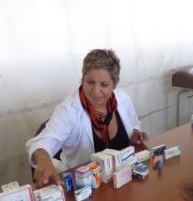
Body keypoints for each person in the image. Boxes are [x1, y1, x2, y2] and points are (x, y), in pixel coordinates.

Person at [26, 49, 148, 186]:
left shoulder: (122, 98)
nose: (96, 91)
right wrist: (43, 158)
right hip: (87, 188)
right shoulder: (69, 110)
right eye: (90, 82)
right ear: (82, 79)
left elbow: (134, 122)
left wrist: (134, 134)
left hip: (124, 178)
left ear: (114, 84)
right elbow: (44, 141)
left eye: (104, 85)